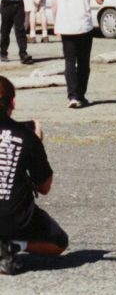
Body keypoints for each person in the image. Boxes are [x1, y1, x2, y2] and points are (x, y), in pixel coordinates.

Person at [0, 76, 68, 275]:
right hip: (14, 217)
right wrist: (36, 142)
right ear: (13, 102)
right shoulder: (26, 136)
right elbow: (44, 187)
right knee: (58, 242)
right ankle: (14, 245)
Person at [46, 0, 108, 108]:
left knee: (69, 61)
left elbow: (53, 2)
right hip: (83, 24)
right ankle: (80, 94)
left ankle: (72, 95)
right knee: (83, 63)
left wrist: (55, 22)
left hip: (65, 23)